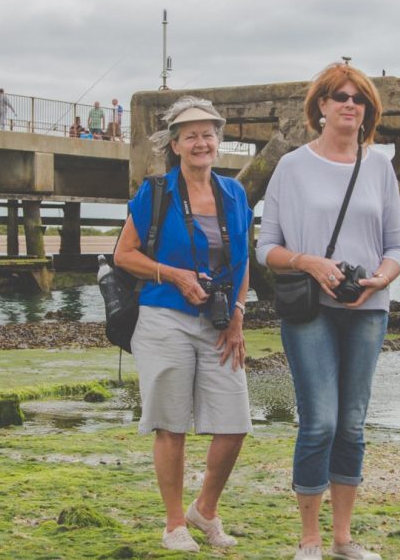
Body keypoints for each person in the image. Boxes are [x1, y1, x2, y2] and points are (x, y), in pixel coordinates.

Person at [256, 63, 400, 560]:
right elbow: (266, 248)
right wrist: (308, 262)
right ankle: (309, 540)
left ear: (367, 110)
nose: (349, 105)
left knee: (353, 424)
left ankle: (343, 540)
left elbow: (396, 246)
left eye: (359, 99)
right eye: (339, 96)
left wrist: (379, 280)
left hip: (368, 308)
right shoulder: (292, 166)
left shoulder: (380, 166)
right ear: (320, 105)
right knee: (318, 421)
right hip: (309, 309)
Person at [113, 96, 253, 553]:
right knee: (170, 424)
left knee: (234, 424)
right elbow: (124, 255)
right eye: (190, 135)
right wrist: (174, 275)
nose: (201, 142)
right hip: (163, 316)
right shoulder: (155, 193)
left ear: (218, 140)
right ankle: (174, 523)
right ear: (175, 144)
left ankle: (204, 511)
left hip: (217, 320)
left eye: (208, 134)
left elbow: (242, 259)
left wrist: (237, 316)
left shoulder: (234, 194)